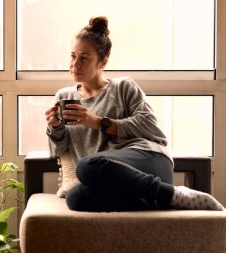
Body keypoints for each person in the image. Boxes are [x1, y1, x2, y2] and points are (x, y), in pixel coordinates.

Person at [45, 16, 225, 212]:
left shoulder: (124, 87)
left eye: (84, 58)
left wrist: (98, 122)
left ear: (102, 62)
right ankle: (163, 197)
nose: (75, 64)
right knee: (76, 198)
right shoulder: (64, 96)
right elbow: (58, 149)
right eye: (73, 56)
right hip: (113, 177)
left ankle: (176, 195)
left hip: (149, 160)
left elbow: (150, 127)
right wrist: (54, 127)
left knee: (87, 166)